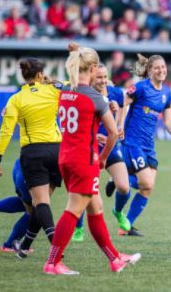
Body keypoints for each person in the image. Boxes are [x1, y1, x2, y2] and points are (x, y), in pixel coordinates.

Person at [44, 43, 140, 275]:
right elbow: (114, 133)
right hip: (85, 160)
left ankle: (115, 258)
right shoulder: (95, 97)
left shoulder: (67, 91)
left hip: (66, 157)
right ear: (94, 68)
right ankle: (52, 263)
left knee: (95, 208)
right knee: (73, 210)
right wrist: (104, 158)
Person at [0, 57, 63, 259]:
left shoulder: (15, 99)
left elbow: (6, 131)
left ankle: (56, 248)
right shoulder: (53, 90)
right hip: (58, 151)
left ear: (23, 75)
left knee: (40, 204)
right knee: (43, 204)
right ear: (41, 75)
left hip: (33, 153)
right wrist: (51, 81)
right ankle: (24, 247)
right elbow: (71, 86)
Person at [115, 53, 171, 236]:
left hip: (149, 146)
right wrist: (119, 126)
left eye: (163, 67)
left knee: (148, 188)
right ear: (149, 71)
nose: (161, 70)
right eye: (157, 67)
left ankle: (126, 227)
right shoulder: (140, 88)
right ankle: (118, 180)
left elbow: (168, 120)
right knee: (146, 181)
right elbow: (122, 103)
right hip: (133, 142)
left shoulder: (166, 93)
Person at [71, 64, 132, 242]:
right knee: (85, 191)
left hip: (111, 146)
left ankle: (118, 212)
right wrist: (94, 134)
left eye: (105, 77)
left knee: (124, 186)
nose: (103, 80)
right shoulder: (85, 94)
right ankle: (78, 228)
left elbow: (121, 109)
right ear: (91, 77)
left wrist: (119, 126)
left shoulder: (116, 93)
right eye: (99, 77)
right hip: (90, 148)